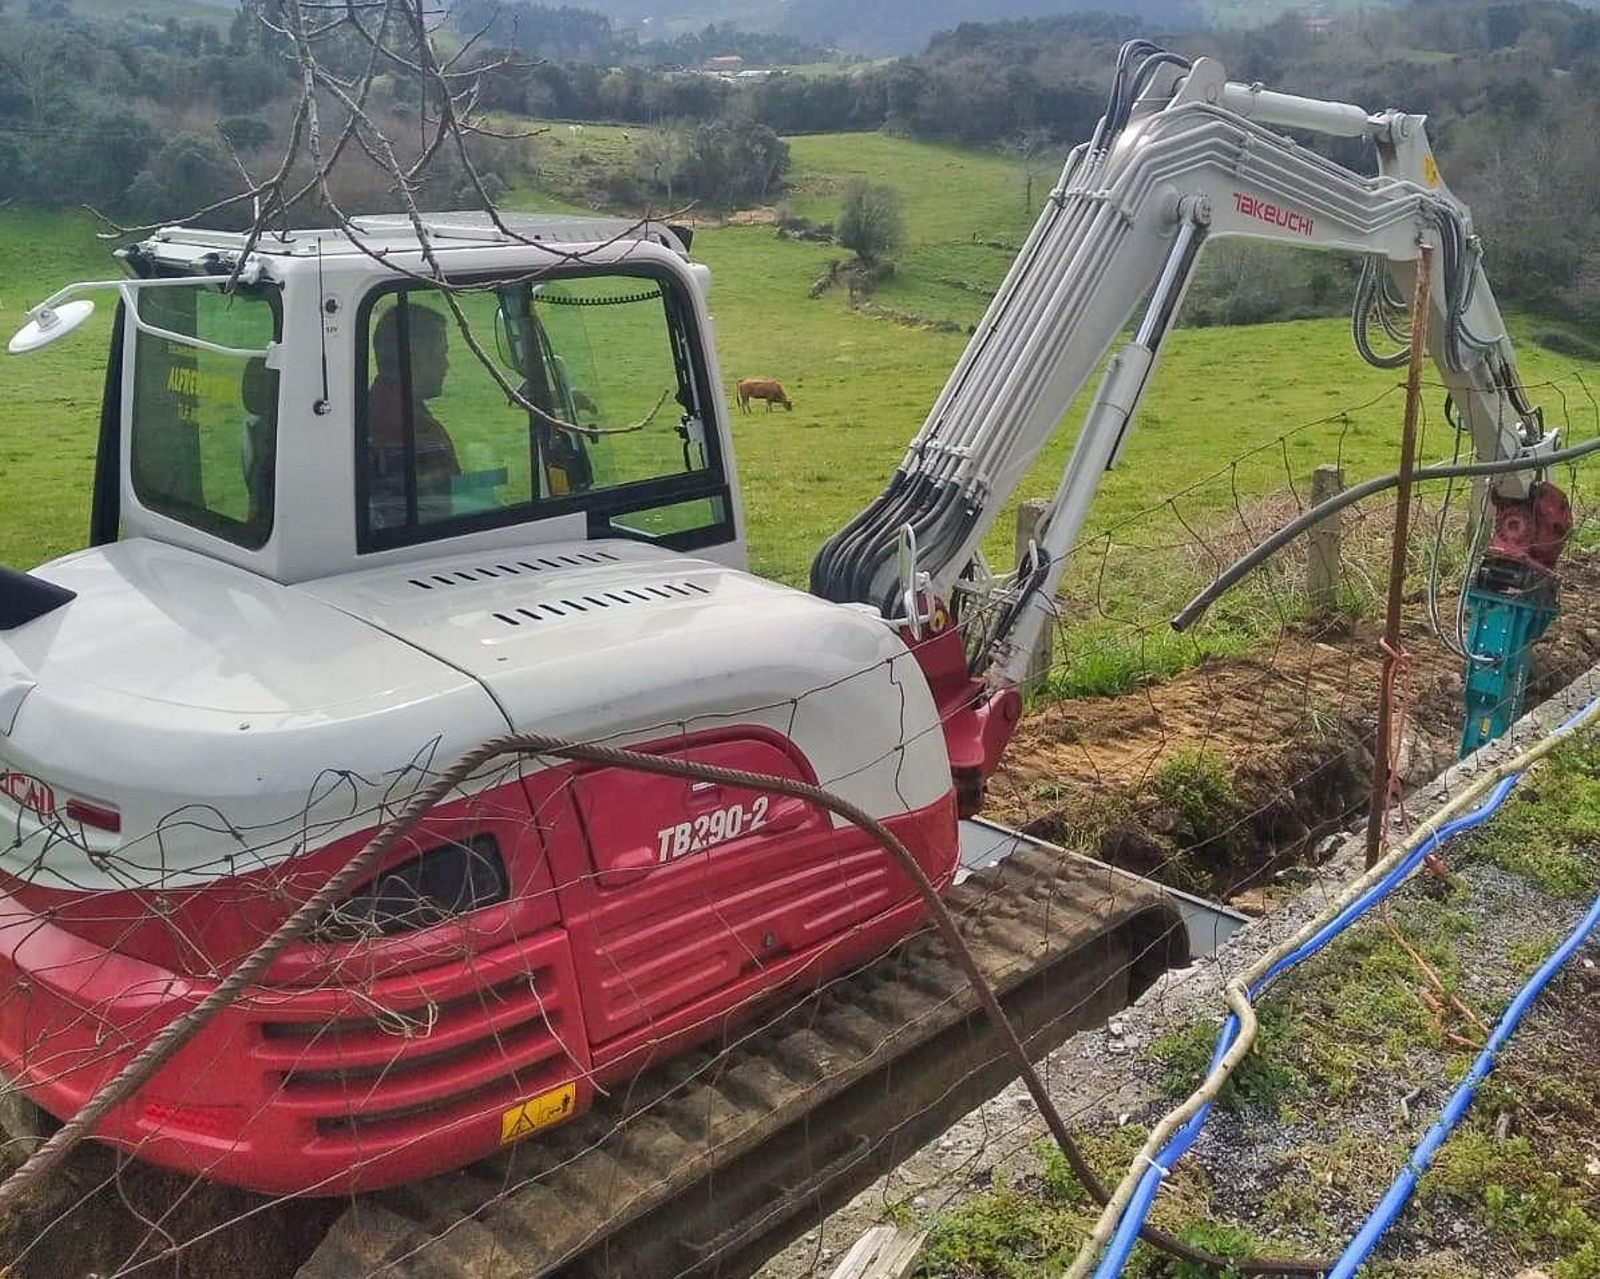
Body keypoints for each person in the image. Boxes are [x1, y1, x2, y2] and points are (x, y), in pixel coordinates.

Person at [368, 302, 460, 524]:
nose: (446, 365)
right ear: (414, 357)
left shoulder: (372, 406)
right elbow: (451, 511)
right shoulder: (419, 434)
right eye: (441, 353)